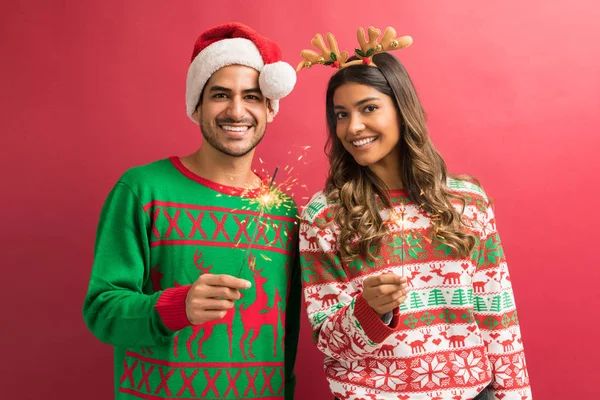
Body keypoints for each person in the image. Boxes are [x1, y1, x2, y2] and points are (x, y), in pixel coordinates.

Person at [297, 26, 531, 399]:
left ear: (402, 110)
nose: (352, 127)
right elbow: (328, 341)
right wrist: (370, 311)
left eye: (369, 108)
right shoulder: (325, 215)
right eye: (341, 114)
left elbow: (498, 319)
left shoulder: (466, 201)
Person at [83, 22, 301, 399]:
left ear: (269, 108)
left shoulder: (284, 209)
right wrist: (177, 306)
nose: (236, 110)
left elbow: (288, 334)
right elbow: (102, 311)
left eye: (251, 97)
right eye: (220, 95)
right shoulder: (142, 190)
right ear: (196, 106)